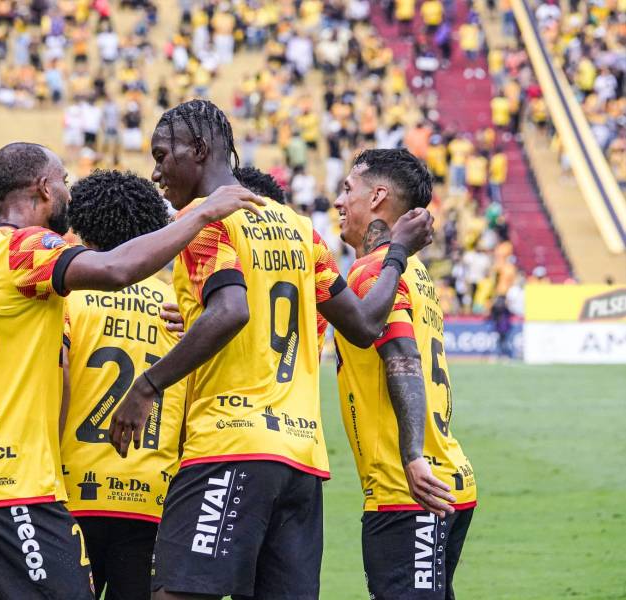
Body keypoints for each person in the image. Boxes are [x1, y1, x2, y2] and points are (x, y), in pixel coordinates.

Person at [108, 100, 434, 600]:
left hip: (230, 443)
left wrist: (146, 386)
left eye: (162, 154)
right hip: (301, 462)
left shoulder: (203, 218)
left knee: (178, 593)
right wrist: (397, 252)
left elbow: (231, 311)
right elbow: (366, 325)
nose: (155, 172)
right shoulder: (300, 229)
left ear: (198, 150)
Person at [0, 141, 263, 599]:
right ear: (45, 188)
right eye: (65, 182)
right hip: (15, 483)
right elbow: (115, 268)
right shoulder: (28, 247)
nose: (69, 193)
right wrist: (200, 216)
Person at [332, 149, 477, 599]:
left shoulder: (375, 271)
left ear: (377, 197)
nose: (339, 202)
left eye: (347, 190)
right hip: (447, 480)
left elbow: (403, 359)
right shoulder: (413, 272)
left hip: (408, 488)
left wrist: (412, 455)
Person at [60, 170, 187, 600]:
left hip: (72, 493)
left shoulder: (66, 298)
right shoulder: (179, 308)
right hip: (153, 498)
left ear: (79, 224)